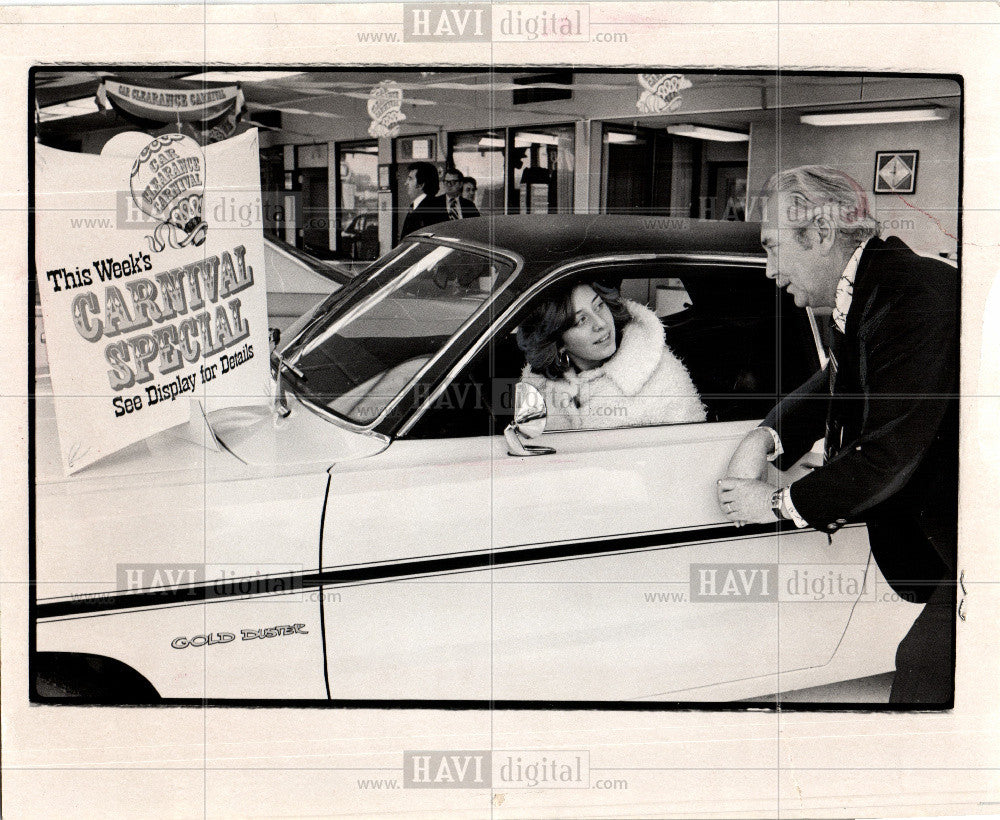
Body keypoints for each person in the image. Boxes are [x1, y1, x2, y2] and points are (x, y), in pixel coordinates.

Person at [717, 165, 958, 704]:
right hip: (957, 542)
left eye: (774, 247)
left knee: (926, 675)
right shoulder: (881, 286)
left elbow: (888, 454)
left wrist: (776, 502)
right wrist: (769, 435)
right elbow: (843, 377)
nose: (768, 270)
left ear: (821, 234)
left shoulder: (915, 295)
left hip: (977, 545)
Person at [517, 282, 706, 430]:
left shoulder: (660, 372)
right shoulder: (537, 383)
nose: (600, 323)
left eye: (598, 306)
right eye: (581, 320)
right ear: (558, 342)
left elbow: (690, 452)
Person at [400, 161, 445, 237]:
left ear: (421, 185)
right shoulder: (415, 206)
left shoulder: (431, 208)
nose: (406, 183)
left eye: (410, 179)